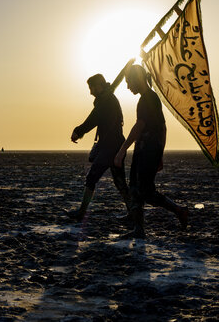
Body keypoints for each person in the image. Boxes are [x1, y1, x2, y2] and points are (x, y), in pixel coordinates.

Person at [114, 65, 188, 238]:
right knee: (135, 188)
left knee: (145, 191)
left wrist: (121, 150)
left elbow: (140, 126)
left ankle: (178, 211)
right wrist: (160, 152)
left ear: (136, 79)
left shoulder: (148, 98)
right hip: (146, 150)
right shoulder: (149, 98)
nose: (127, 86)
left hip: (147, 150)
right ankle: (138, 228)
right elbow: (163, 128)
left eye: (128, 81)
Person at [68, 74, 131, 221]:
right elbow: (118, 79)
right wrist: (129, 64)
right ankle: (133, 213)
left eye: (91, 88)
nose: (90, 92)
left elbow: (92, 119)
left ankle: (81, 213)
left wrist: (78, 131)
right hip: (116, 146)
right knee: (120, 182)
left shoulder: (104, 101)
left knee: (92, 178)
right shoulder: (108, 96)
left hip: (109, 148)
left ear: (99, 86)